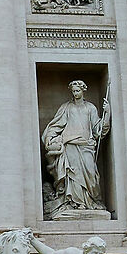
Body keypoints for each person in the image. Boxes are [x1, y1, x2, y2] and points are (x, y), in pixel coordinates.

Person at [42, 81, 111, 215]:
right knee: (73, 176)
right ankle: (76, 203)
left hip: (86, 145)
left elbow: (98, 129)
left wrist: (107, 113)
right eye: (73, 91)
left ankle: (91, 201)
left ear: (83, 91)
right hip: (70, 145)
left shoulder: (90, 108)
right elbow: (56, 125)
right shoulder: (66, 107)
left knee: (91, 175)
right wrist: (50, 137)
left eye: (77, 91)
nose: (75, 93)